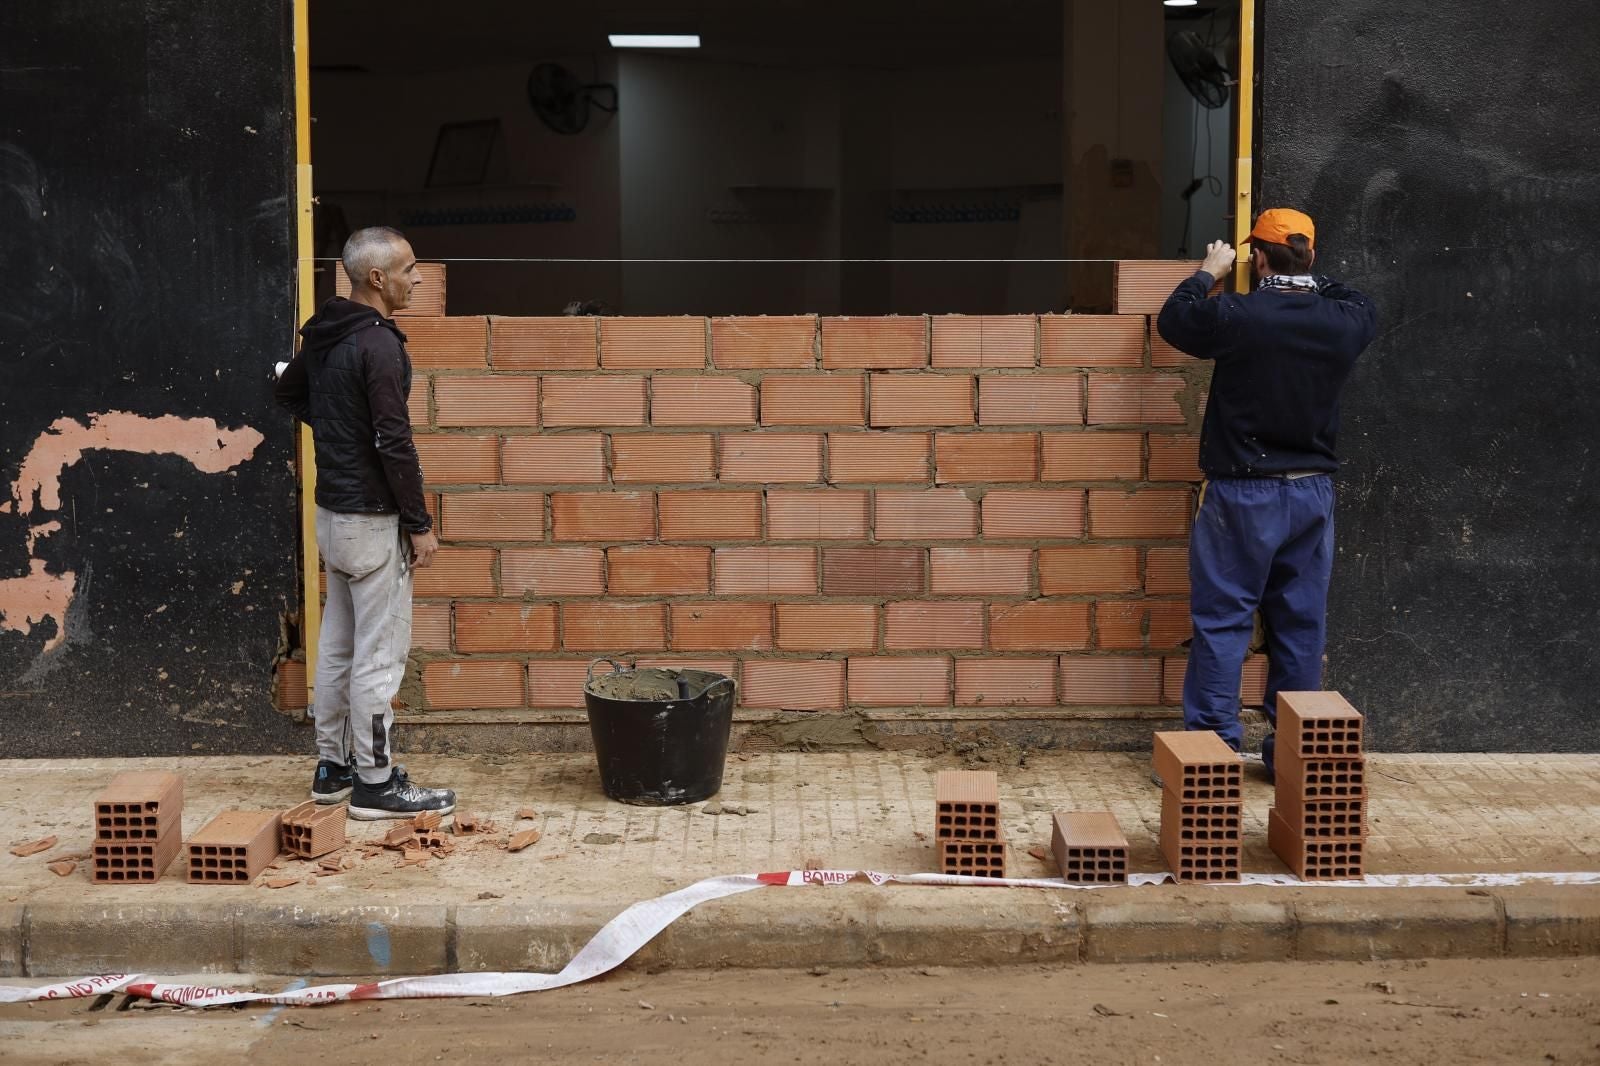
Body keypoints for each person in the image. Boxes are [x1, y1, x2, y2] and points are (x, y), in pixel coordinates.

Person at [1155, 209, 1379, 779]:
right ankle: (1293, 758)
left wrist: (1208, 271)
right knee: (1300, 625)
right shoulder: (1345, 321)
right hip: (1310, 494)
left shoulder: (1237, 314)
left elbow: (1176, 321)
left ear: (1257, 258)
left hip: (1241, 495)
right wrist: (1308, 277)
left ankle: (1212, 754)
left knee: (1225, 619)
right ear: (1310, 256)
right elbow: (1356, 299)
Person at [275, 226, 456, 819]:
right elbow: (394, 441)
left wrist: (334, 431)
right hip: (374, 523)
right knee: (378, 657)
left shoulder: (326, 333)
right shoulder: (377, 344)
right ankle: (376, 786)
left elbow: (286, 392)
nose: (418, 277)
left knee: (337, 648)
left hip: (332, 518)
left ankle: (333, 769)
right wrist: (419, 522)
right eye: (408, 268)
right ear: (376, 278)